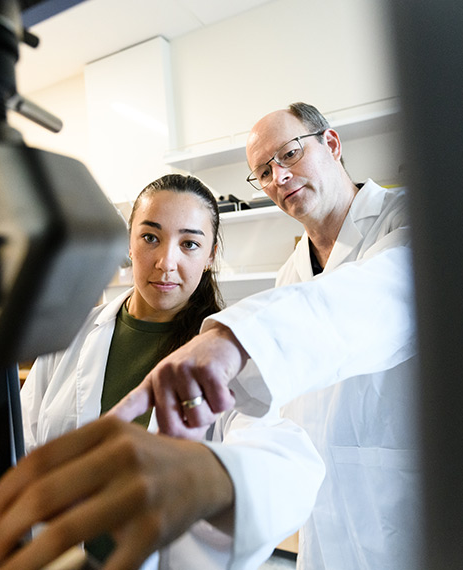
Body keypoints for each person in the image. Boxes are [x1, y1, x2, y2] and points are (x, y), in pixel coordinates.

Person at [111, 103, 420, 570]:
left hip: (402, 504)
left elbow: (383, 293)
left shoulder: (410, 221)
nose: (278, 177)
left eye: (289, 155)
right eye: (263, 171)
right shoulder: (290, 274)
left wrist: (232, 341)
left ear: (331, 144)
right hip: (321, 515)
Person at [0, 173, 325, 570]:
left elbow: (283, 466)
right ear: (129, 243)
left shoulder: (225, 354)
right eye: (150, 238)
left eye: (189, 244)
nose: (167, 263)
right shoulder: (72, 334)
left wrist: (213, 478)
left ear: (210, 254)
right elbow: (24, 445)